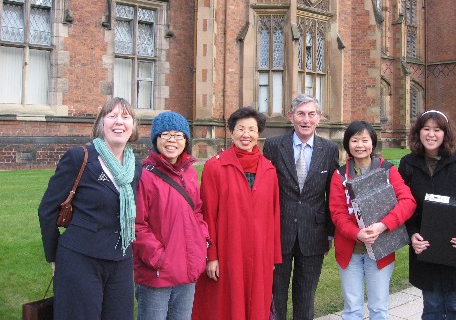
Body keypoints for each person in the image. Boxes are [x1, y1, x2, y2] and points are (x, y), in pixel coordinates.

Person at [38, 97, 141, 320]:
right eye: (111, 115)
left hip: (120, 260)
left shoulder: (135, 166)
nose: (119, 122)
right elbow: (47, 209)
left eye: (125, 117)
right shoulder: (80, 157)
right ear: (101, 123)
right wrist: (54, 256)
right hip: (80, 258)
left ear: (133, 126)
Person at [192, 106, 281, 320]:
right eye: (241, 129)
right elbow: (207, 215)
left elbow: (274, 216)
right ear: (231, 132)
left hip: (260, 253)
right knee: (226, 306)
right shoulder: (216, 167)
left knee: (256, 305)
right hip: (227, 251)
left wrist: (272, 258)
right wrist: (211, 256)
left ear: (258, 134)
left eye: (252, 129)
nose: (246, 135)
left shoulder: (269, 170)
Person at [398, 110, 456, 320]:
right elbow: (403, 207)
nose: (431, 134)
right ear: (418, 132)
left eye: (437, 130)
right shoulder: (408, 164)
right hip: (426, 249)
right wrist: (412, 235)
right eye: (426, 129)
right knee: (432, 310)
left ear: (445, 133)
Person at [329, 120, 416, 320]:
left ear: (373, 143)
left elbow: (408, 201)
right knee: (352, 308)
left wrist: (382, 225)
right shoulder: (340, 175)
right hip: (350, 251)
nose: (360, 145)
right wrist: (356, 233)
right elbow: (337, 213)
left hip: (381, 247)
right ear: (347, 144)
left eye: (365, 140)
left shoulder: (387, 170)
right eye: (354, 140)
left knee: (378, 308)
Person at [263, 94, 340, 320]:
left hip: (313, 234)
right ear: (291, 117)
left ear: (319, 118)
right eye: (301, 114)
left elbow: (331, 195)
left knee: (305, 298)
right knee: (276, 297)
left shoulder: (329, 150)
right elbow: (266, 193)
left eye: (311, 114)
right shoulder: (274, 146)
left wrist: (329, 233)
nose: (306, 120)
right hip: (279, 232)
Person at [133, 111, 210, 320]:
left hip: (187, 267)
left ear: (185, 140)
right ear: (156, 139)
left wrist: (202, 240)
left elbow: (197, 210)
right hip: (157, 272)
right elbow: (137, 225)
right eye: (165, 134)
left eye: (178, 135)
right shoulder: (144, 175)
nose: (172, 140)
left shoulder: (190, 173)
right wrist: (159, 258)